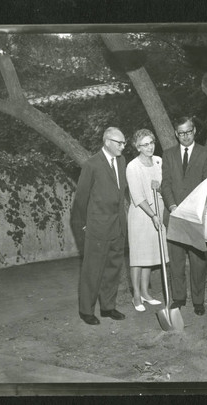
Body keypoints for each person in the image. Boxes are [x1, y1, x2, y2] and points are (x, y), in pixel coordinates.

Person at [70, 127, 128, 325]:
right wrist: (85, 227)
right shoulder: (92, 165)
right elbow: (80, 200)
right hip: (97, 227)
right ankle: (86, 310)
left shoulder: (122, 162)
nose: (123, 146)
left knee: (113, 269)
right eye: (119, 143)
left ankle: (107, 307)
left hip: (117, 226)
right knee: (92, 270)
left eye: (124, 143)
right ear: (107, 142)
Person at [161, 116, 207, 315]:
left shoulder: (205, 153)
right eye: (181, 133)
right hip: (175, 215)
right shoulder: (168, 155)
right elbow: (165, 182)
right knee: (176, 261)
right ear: (176, 134)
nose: (185, 136)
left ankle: (198, 301)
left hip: (196, 217)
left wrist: (197, 209)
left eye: (188, 132)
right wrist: (172, 205)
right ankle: (179, 298)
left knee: (198, 262)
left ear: (194, 131)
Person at [126, 129, 167, 311]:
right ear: (137, 147)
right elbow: (138, 196)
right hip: (142, 214)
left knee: (149, 253)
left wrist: (160, 188)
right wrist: (153, 215)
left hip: (158, 211)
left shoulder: (159, 161)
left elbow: (166, 185)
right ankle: (136, 295)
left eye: (151, 143)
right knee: (138, 256)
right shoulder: (132, 167)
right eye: (145, 144)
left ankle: (145, 292)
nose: (149, 147)